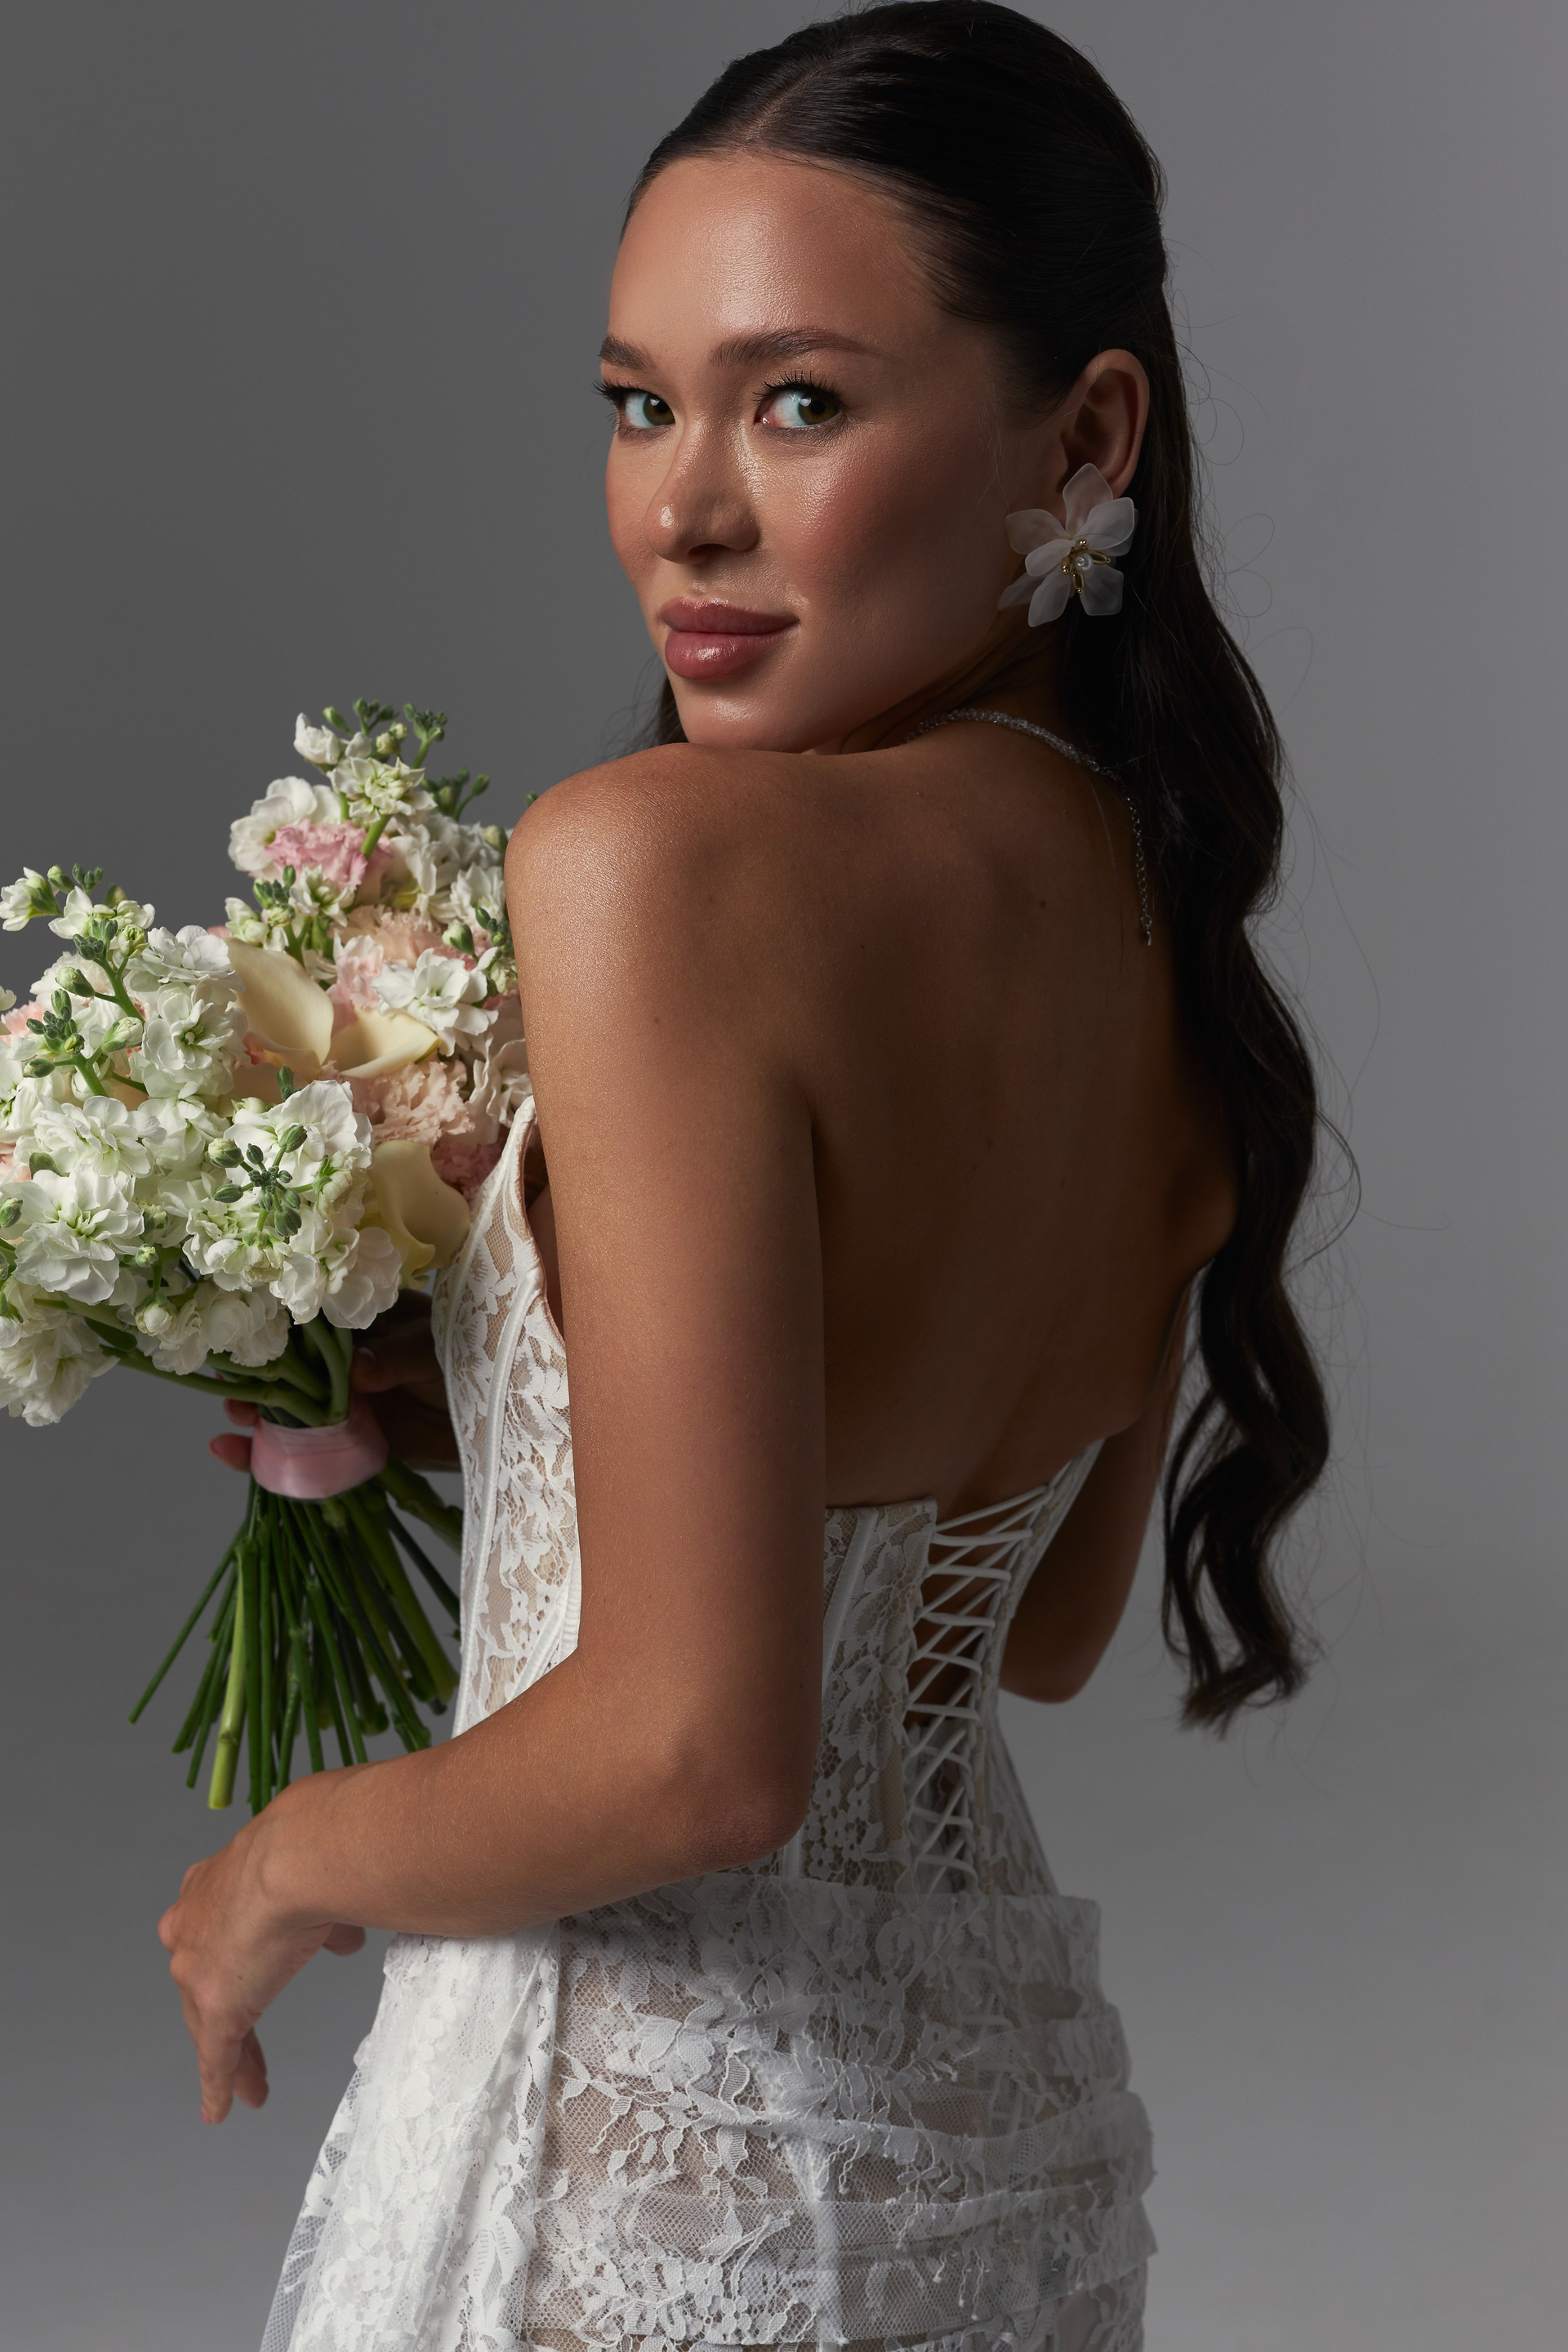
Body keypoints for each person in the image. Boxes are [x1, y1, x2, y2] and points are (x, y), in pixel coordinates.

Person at [161, 9, 1330, 2349]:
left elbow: (701, 1750)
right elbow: (1031, 1628)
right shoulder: (1163, 928)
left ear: (1086, 437)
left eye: (798, 403)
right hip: (1009, 2170)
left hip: (632, 2180)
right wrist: (509, 1414)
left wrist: (276, 1869)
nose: (681, 512)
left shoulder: (656, 868)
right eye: (638, 403)